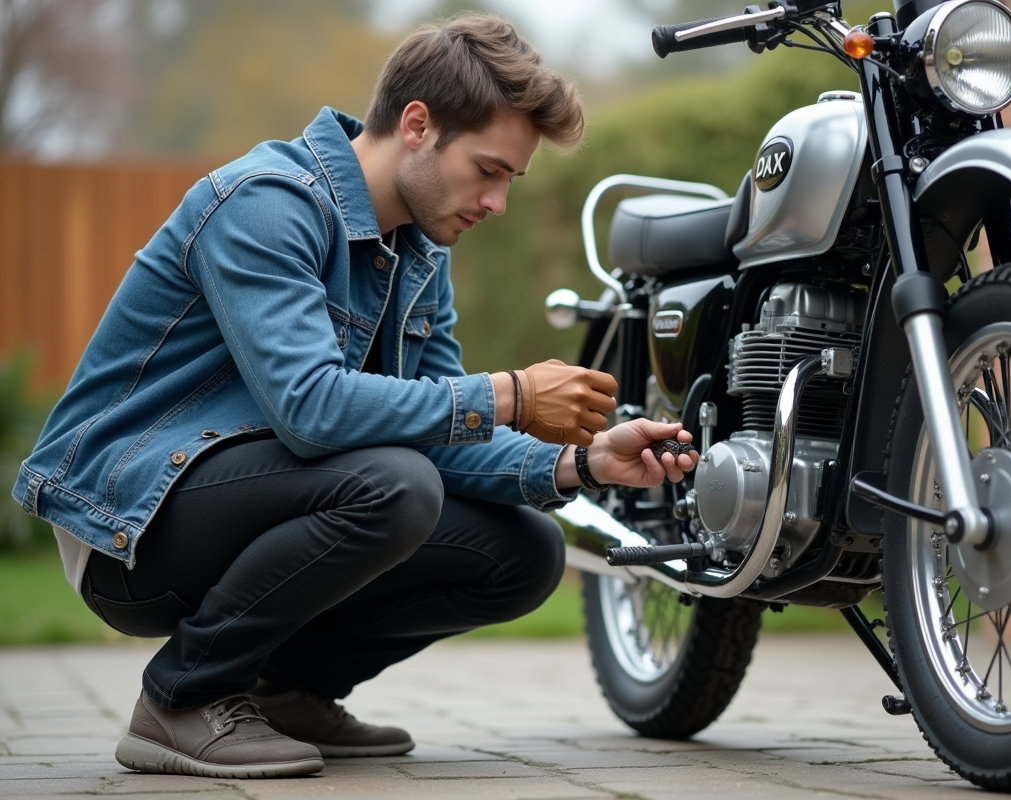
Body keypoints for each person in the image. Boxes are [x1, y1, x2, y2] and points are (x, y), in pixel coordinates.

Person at [11, 13, 696, 779]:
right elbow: (311, 410)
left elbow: (442, 429)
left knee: (523, 552)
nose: (497, 202)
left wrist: (585, 463)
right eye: (489, 169)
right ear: (416, 125)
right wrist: (509, 394)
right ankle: (180, 699)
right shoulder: (265, 204)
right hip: (132, 527)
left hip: (254, 498)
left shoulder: (419, 254)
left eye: (510, 180)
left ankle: (285, 692)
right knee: (395, 487)